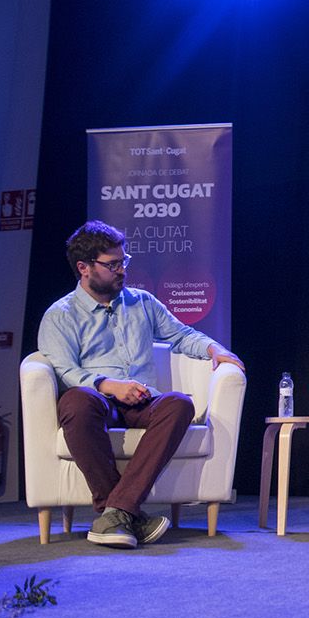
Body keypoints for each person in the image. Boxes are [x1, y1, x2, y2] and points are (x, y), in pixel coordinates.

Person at [38, 220, 244, 549]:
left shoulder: (142, 302)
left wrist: (214, 350)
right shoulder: (60, 315)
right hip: (97, 400)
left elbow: (181, 335)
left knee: (179, 404)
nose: (122, 270)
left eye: (124, 261)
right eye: (113, 264)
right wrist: (110, 385)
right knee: (75, 402)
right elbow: (65, 371)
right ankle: (125, 512)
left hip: (142, 400)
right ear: (84, 268)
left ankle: (116, 513)